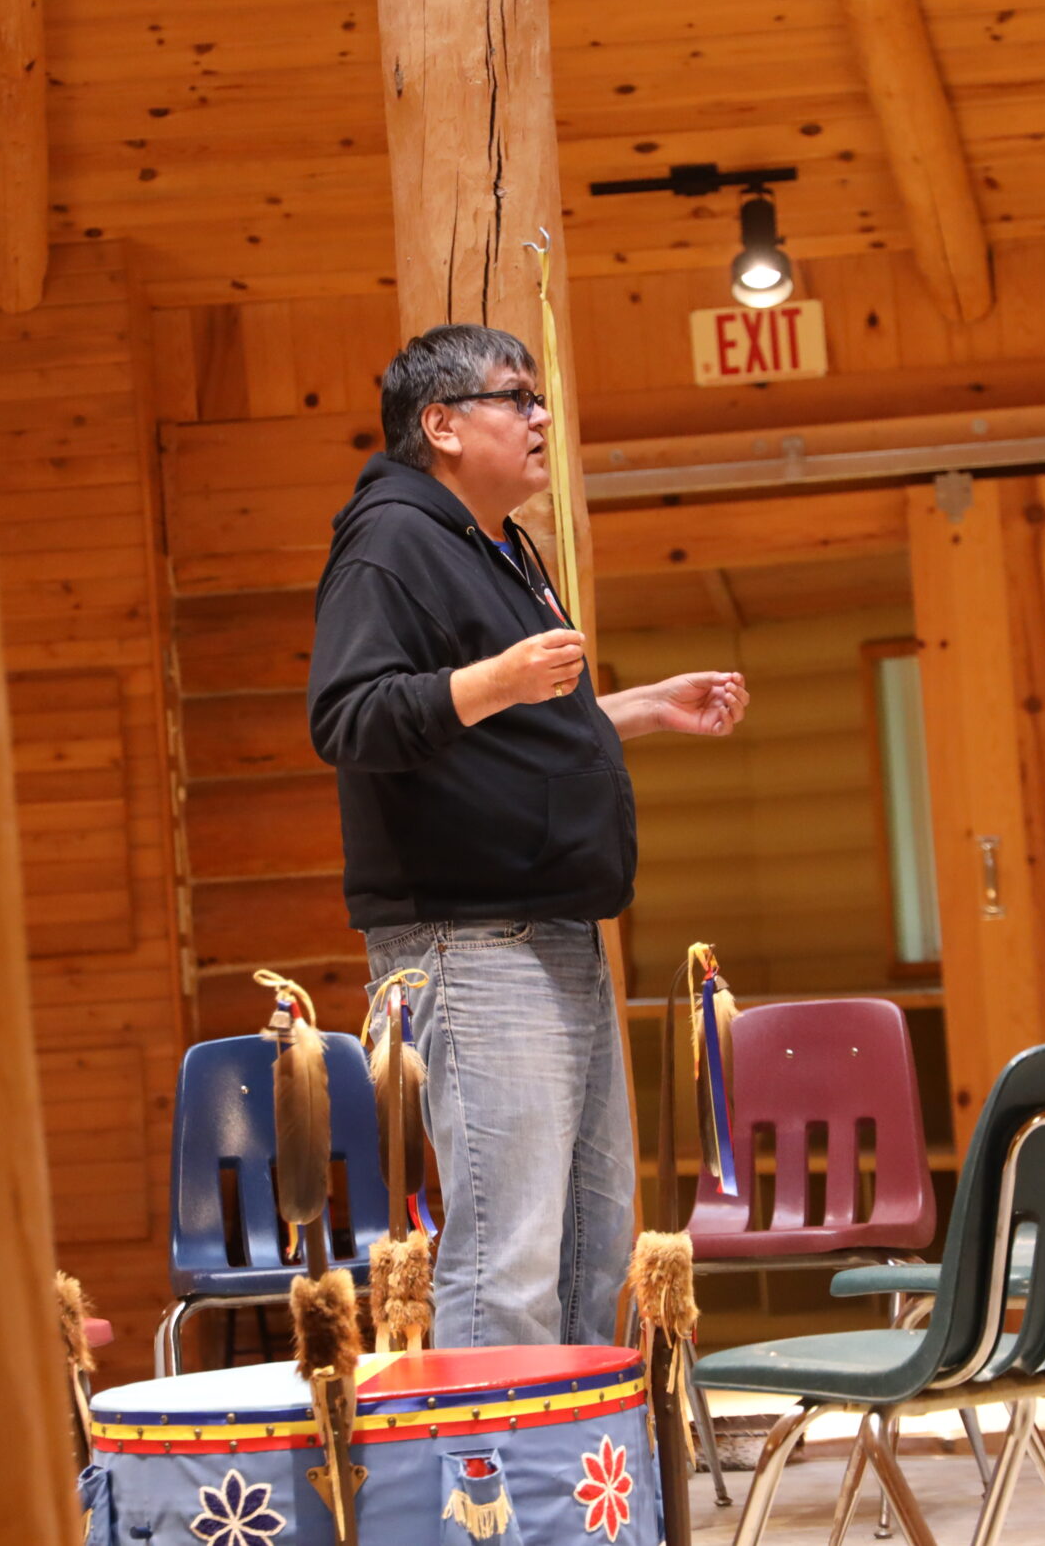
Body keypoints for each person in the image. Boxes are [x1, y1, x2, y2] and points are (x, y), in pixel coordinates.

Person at [308, 323, 749, 1349]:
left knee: (588, 1255)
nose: (543, 417)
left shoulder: (498, 546)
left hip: (551, 935)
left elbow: (511, 730)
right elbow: (350, 720)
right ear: (443, 424)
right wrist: (498, 680)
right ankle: (488, 1504)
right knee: (504, 1261)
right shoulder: (390, 539)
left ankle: (580, 1502)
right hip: (469, 947)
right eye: (518, 398)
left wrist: (636, 710)